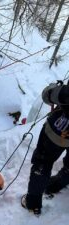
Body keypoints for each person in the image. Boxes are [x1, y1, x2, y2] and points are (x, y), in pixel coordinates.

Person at [22, 81, 69, 215]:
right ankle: (57, 184)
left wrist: (53, 88)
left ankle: (33, 203)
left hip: (57, 131)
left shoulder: (66, 93)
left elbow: (47, 96)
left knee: (43, 163)